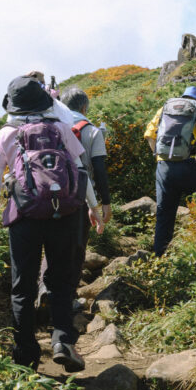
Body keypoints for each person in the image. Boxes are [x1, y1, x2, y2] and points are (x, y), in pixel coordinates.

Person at [0, 75, 104, 372]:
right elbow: (79, 170)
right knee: (60, 280)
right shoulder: (61, 128)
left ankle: (25, 356)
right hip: (65, 214)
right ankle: (62, 341)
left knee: (23, 286)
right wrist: (93, 206)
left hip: (24, 217)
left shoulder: (5, 134)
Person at [144, 85, 196, 256]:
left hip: (164, 167)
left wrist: (159, 156)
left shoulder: (164, 109)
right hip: (186, 166)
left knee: (164, 213)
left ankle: (160, 256)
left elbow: (149, 135)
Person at [60, 86, 113, 275]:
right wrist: (104, 202)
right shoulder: (92, 131)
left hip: (52, 195)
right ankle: (69, 288)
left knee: (56, 245)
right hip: (81, 196)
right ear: (84, 107)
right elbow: (99, 169)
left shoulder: (54, 127)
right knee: (77, 246)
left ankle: (47, 285)